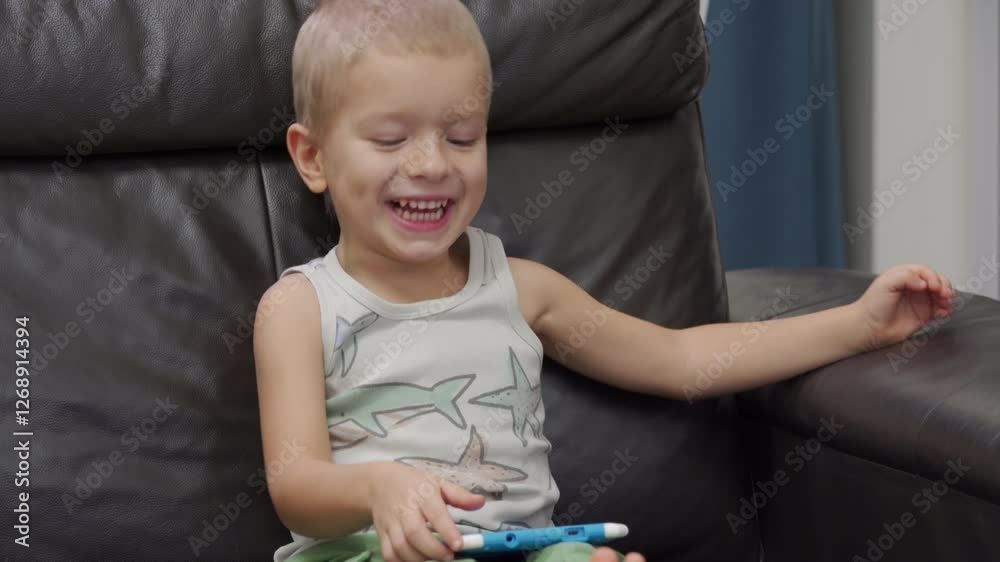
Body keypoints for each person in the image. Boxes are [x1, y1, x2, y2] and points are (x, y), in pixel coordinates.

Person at [252, 1, 955, 561]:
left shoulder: (521, 289)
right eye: (390, 139)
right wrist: (378, 489)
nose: (433, 164)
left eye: (462, 137)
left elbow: (681, 359)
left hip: (522, 548)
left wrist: (859, 325)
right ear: (312, 157)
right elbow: (294, 484)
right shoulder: (299, 307)